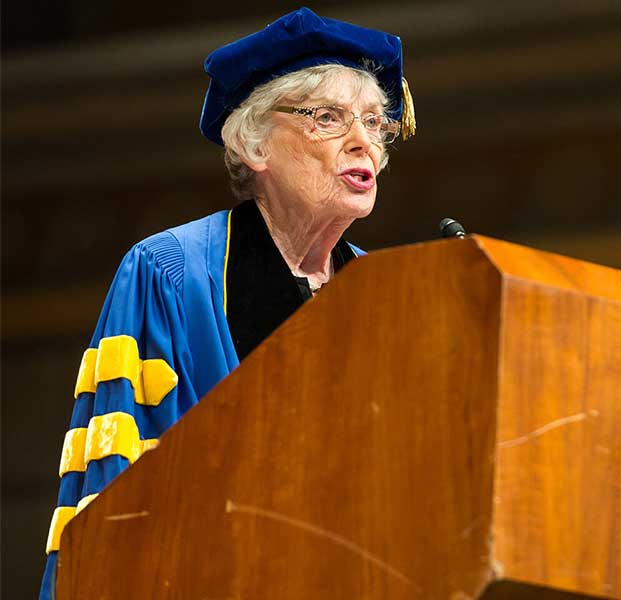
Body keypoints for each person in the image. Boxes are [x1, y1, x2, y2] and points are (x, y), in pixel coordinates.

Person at [38, 8, 415, 599]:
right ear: (255, 143)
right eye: (328, 118)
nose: (363, 141)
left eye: (374, 122)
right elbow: (114, 489)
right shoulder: (169, 271)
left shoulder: (388, 293)